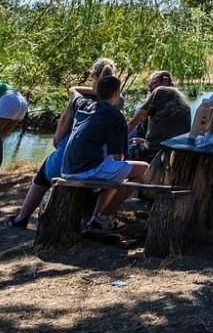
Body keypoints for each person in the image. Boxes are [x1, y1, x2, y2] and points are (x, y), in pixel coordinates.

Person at [9, 57, 116, 230]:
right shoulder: (117, 101)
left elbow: (61, 129)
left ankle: (22, 217)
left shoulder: (78, 99)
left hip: (66, 164)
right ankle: (95, 218)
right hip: (97, 166)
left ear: (92, 76)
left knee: (45, 172)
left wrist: (58, 143)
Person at [57, 72, 149, 233]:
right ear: (116, 93)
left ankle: (96, 219)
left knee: (114, 170)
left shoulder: (83, 104)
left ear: (97, 92)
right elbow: (118, 157)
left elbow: (73, 90)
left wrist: (96, 91)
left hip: (67, 169)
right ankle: (103, 217)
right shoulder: (116, 116)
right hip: (86, 170)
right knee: (144, 169)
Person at [126, 70, 191, 161]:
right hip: (177, 150)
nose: (149, 85)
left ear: (159, 81)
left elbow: (134, 121)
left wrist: (118, 138)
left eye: (151, 81)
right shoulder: (182, 98)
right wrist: (145, 141)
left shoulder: (159, 92)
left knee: (125, 148)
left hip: (158, 151)